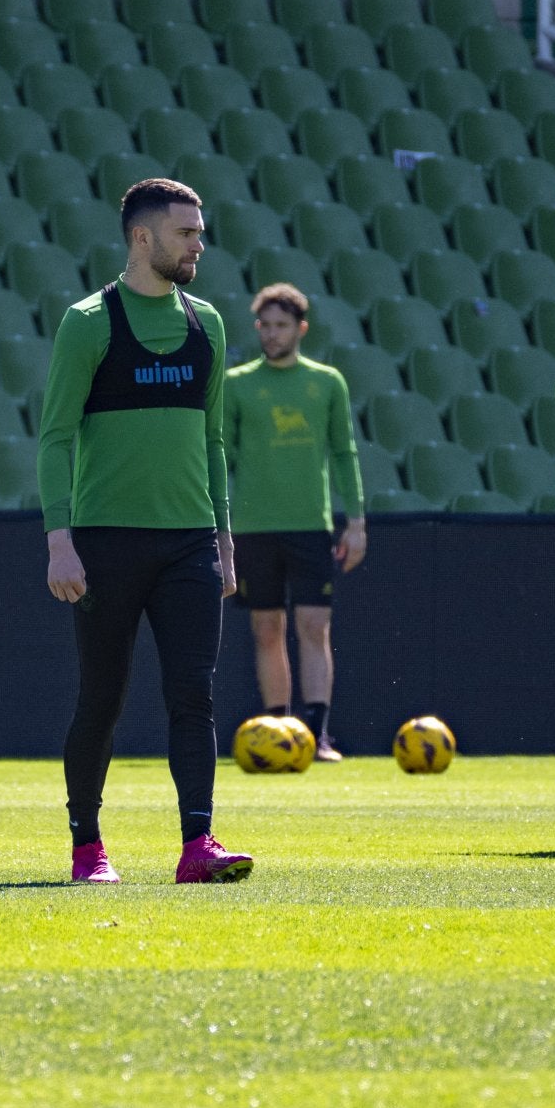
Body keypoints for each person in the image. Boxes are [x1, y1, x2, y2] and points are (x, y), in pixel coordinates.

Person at [38, 177, 252, 886]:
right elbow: (56, 436)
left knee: (194, 692)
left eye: (199, 230)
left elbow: (213, 439)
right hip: (105, 544)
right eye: (186, 232)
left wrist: (223, 540)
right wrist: (59, 539)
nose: (199, 243)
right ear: (142, 237)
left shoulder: (210, 324)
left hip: (189, 542)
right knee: (102, 695)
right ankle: (86, 847)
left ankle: (199, 843)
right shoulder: (88, 322)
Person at [223, 283, 366, 762]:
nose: (271, 334)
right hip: (253, 526)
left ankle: (317, 734)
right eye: (264, 325)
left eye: (281, 325)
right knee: (266, 628)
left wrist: (357, 522)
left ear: (301, 328)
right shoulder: (237, 383)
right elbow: (219, 455)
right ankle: (279, 733)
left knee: (313, 626)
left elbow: (344, 453)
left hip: (310, 525)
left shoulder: (327, 382)